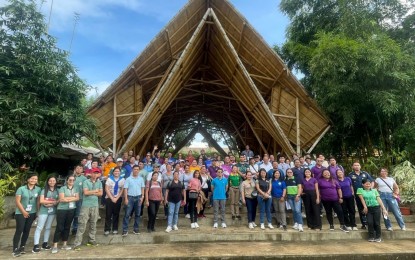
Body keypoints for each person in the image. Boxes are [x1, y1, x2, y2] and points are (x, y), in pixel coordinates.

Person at [73, 168, 103, 250]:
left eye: (97, 173)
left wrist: (92, 192)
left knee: (93, 223)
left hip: (95, 205)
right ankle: (77, 244)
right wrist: (95, 191)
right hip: (86, 205)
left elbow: (101, 194)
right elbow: (85, 193)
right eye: (94, 173)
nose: (95, 175)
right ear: (91, 173)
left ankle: (91, 240)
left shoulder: (99, 182)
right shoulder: (86, 182)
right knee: (82, 224)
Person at [12, 173, 41, 257]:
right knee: (19, 230)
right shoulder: (21, 189)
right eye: (32, 178)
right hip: (20, 213)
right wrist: (24, 212)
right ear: (28, 179)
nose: (34, 180)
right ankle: (15, 249)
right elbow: (17, 201)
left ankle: (22, 247)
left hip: (32, 213)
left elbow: (38, 201)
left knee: (27, 230)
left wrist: (37, 212)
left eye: (35, 179)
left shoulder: (38, 189)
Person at [52, 175, 79, 253]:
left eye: (73, 180)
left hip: (71, 209)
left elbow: (77, 198)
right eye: (70, 180)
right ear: (67, 181)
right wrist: (72, 198)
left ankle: (65, 244)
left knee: (67, 227)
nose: (71, 181)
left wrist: (67, 198)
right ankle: (55, 246)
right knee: (59, 227)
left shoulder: (75, 188)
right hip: (62, 209)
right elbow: (61, 199)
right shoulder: (62, 188)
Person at [33, 175, 59, 253]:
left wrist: (52, 203)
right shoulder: (44, 190)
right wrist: (53, 202)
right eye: (50, 181)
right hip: (43, 211)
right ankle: (36, 245)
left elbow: (59, 200)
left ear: (56, 182)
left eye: (53, 181)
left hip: (52, 211)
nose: (52, 182)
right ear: (47, 182)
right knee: (39, 227)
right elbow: (41, 201)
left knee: (48, 227)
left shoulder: (58, 190)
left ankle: (45, 243)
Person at [348, 161, 373, 229]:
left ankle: (369, 223)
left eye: (358, 165)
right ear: (353, 167)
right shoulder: (350, 175)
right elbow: (349, 185)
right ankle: (364, 224)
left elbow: (372, 181)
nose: (356, 166)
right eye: (355, 165)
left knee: (368, 207)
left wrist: (371, 189)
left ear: (360, 166)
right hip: (357, 195)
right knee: (360, 209)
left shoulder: (365, 173)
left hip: (367, 194)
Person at [122, 165, 145, 236]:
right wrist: (126, 198)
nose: (136, 170)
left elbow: (142, 188)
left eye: (137, 169)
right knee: (127, 214)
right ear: (132, 170)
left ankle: (136, 229)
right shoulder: (128, 179)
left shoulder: (141, 179)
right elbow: (125, 189)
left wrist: (142, 196)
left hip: (138, 198)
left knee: (138, 214)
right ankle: (125, 230)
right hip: (130, 198)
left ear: (139, 170)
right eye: (135, 169)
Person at [104, 167, 125, 235]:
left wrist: (116, 198)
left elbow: (122, 189)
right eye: (115, 171)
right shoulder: (109, 179)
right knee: (108, 214)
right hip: (109, 198)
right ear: (113, 172)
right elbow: (106, 189)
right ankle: (107, 229)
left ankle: (115, 229)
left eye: (118, 171)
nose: (116, 172)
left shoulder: (122, 180)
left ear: (120, 172)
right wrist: (112, 198)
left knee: (116, 214)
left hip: (118, 198)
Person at [71, 165, 87, 235]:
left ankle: (75, 228)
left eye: (80, 168)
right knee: (69, 214)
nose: (79, 169)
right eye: (77, 168)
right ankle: (67, 228)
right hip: (70, 199)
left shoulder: (84, 179)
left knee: (77, 215)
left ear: (82, 170)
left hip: (80, 199)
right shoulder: (70, 177)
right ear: (75, 169)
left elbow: (85, 189)